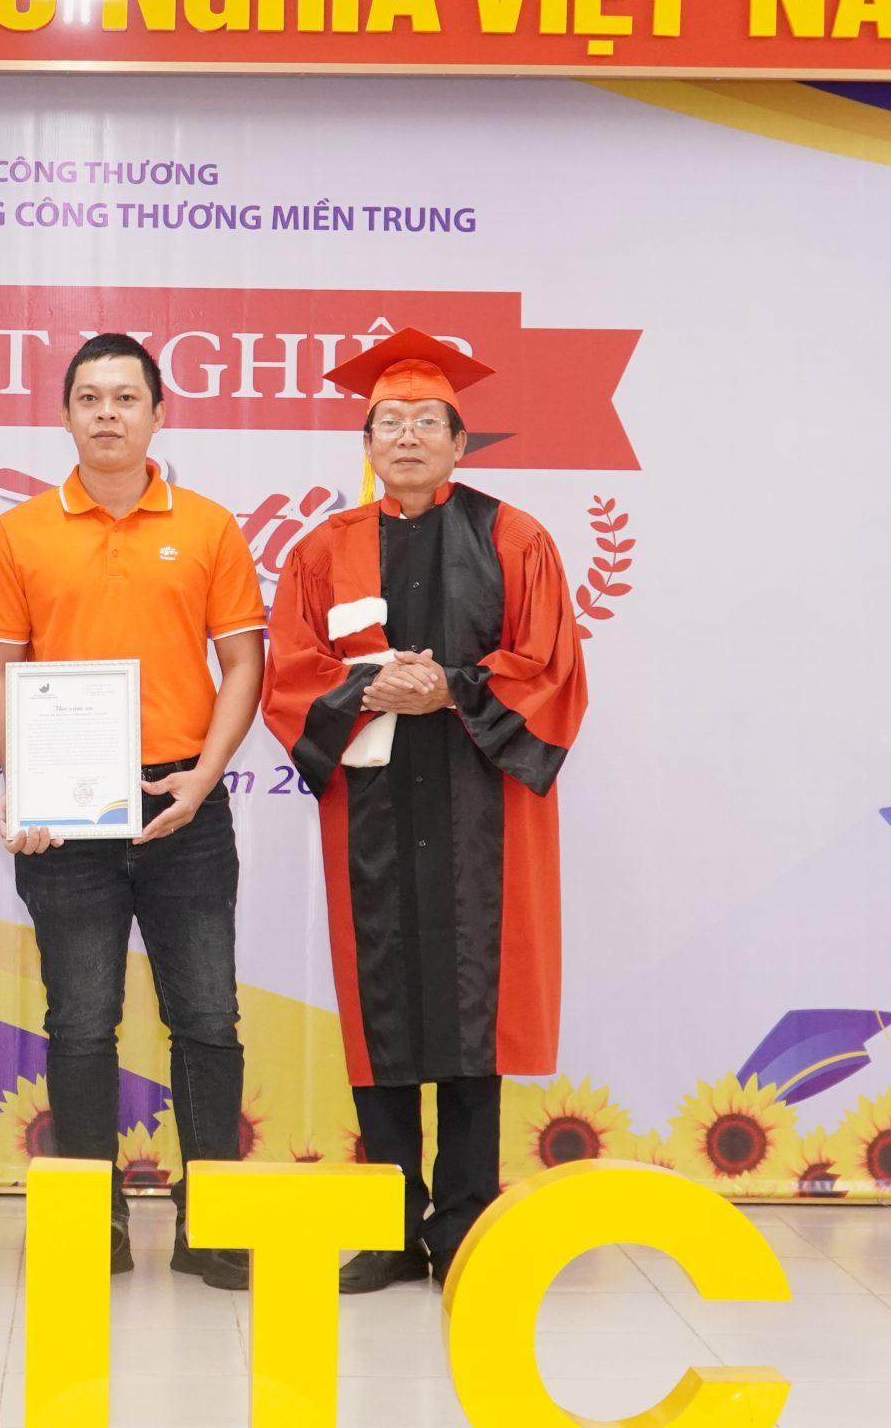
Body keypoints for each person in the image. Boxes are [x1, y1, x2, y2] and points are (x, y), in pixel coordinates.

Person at [260, 329, 589, 1292]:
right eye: (389, 422)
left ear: (459, 440)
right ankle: (391, 1229)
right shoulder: (324, 549)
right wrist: (365, 688)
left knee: (473, 1007)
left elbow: (550, 665)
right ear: (366, 443)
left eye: (426, 422)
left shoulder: (514, 538)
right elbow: (292, 668)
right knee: (386, 1010)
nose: (406, 436)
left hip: (481, 808)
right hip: (371, 808)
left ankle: (467, 1226)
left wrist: (450, 686)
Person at [0, 333, 266, 1291]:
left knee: (208, 1018)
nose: (108, 413)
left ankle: (213, 1223)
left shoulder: (210, 527)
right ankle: (90, 1219)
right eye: (90, 398)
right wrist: (27, 781)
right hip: (67, 816)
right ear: (65, 414)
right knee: (80, 1021)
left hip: (185, 802)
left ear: (158, 413)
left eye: (126, 397)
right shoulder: (19, 534)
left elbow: (245, 665)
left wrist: (205, 777)